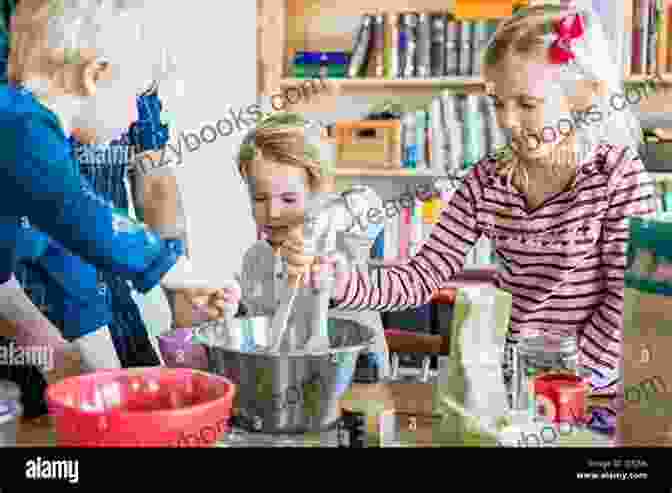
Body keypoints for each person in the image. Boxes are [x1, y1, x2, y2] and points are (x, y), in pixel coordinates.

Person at [275, 4, 657, 410]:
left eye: (527, 104)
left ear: (580, 98)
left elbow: (627, 299)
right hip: (513, 384)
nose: (508, 121)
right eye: (497, 103)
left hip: (597, 391)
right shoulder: (486, 181)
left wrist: (567, 381)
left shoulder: (615, 174)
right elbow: (419, 279)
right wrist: (340, 281)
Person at [0, 0, 225, 415]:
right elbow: (86, 218)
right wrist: (179, 272)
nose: (133, 120)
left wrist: (108, 384)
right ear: (95, 76)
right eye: (132, 98)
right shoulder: (17, 127)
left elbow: (66, 257)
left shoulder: (37, 143)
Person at [175, 112, 390, 378]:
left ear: (319, 191)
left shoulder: (341, 236)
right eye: (260, 198)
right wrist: (228, 313)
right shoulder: (255, 259)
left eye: (289, 198)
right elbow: (258, 330)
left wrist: (315, 226)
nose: (273, 212)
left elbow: (371, 205)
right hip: (291, 387)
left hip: (360, 383)